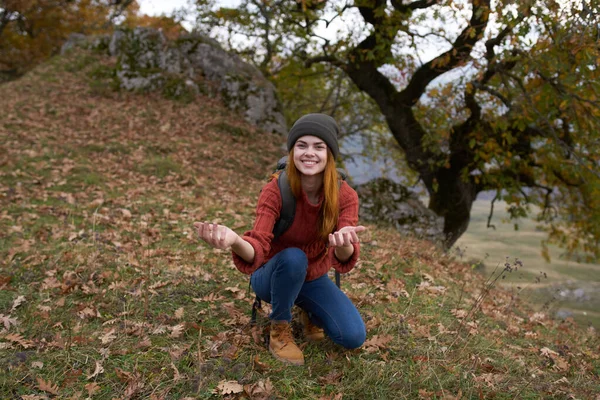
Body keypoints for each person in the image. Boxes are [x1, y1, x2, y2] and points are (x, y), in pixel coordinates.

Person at [194, 113, 367, 366]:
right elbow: (258, 247)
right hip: (271, 276)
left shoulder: (345, 195)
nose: (310, 153)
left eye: (319, 147)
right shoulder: (276, 190)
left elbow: (343, 256)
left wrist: (344, 245)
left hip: (312, 277)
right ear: (292, 151)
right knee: (294, 257)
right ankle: (279, 327)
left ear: (330, 154)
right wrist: (234, 241)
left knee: (352, 336)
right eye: (302, 145)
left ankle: (309, 311)